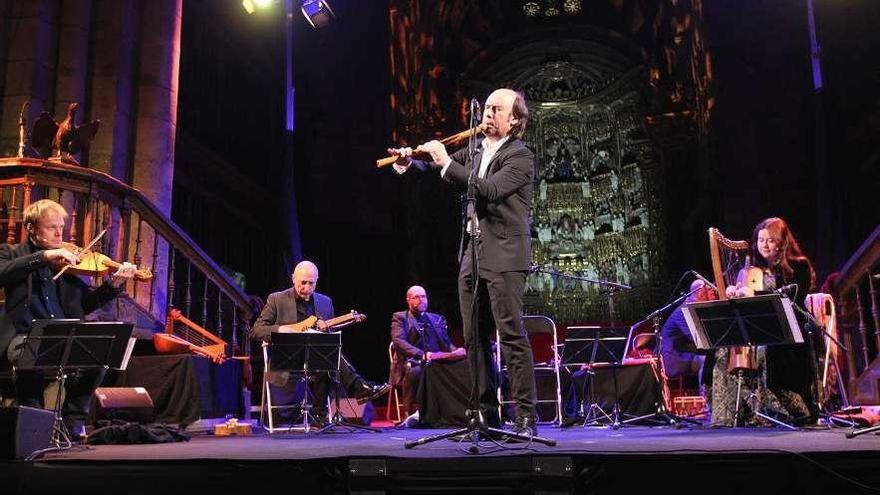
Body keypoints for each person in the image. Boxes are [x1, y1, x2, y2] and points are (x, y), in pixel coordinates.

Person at [388, 88, 539, 435]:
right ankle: (486, 414)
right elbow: (436, 170)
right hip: (471, 254)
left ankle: (526, 417)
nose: (487, 114)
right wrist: (411, 160)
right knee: (473, 339)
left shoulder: (520, 156)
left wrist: (444, 161)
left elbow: (486, 189)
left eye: (496, 109)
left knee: (511, 334)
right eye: (486, 108)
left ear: (514, 119)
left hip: (504, 255)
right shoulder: (475, 149)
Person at [0, 199, 137, 439]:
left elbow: (84, 305)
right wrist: (44, 257)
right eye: (51, 227)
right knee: (29, 357)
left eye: (60, 228)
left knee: (99, 357)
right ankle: (34, 426)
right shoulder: (10, 253)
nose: (58, 234)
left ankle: (72, 422)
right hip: (24, 336)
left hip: (63, 335)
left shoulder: (69, 264)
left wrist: (113, 284)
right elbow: (4, 273)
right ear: (32, 228)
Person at [248, 260, 388, 425]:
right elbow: (255, 331)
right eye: (303, 282)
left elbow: (328, 336)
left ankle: (319, 416)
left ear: (317, 281)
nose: (307, 288)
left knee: (329, 351)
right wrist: (280, 330)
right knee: (327, 354)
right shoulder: (277, 299)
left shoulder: (325, 302)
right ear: (293, 279)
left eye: (311, 283)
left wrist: (328, 328)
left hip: (316, 358)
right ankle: (360, 388)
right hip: (287, 358)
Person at [711, 217, 818, 427]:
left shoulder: (799, 266)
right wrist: (733, 293)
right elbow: (748, 305)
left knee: (765, 350)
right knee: (722, 350)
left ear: (782, 242)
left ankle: (779, 410)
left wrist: (755, 293)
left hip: (789, 328)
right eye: (760, 240)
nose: (764, 245)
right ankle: (734, 413)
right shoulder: (752, 270)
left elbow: (792, 298)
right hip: (759, 328)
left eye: (770, 240)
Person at [390, 285, 465, 416]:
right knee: (416, 371)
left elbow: (446, 343)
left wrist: (456, 352)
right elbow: (398, 342)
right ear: (408, 299)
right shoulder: (400, 317)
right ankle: (411, 412)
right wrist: (422, 355)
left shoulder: (436, 318)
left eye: (423, 296)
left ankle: (457, 410)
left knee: (462, 366)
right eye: (416, 297)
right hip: (412, 362)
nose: (421, 300)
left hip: (437, 361)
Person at [660, 279, 716, 384]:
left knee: (715, 358)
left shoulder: (695, 308)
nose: (713, 292)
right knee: (708, 361)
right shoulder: (684, 311)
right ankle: (706, 396)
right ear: (700, 293)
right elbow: (697, 339)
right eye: (710, 290)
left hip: (685, 353)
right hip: (674, 358)